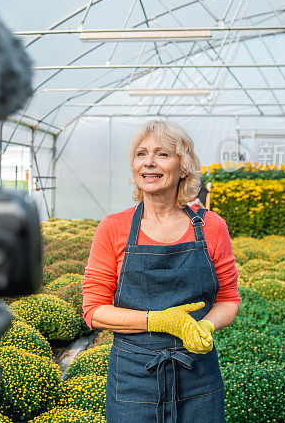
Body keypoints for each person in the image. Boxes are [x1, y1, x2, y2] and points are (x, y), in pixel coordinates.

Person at [82, 120, 240, 423]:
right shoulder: (113, 228)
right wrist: (156, 320)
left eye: (162, 154)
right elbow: (94, 311)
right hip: (133, 377)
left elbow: (229, 299)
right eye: (141, 154)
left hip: (197, 373)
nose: (149, 162)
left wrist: (204, 327)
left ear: (184, 167)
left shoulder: (212, 226)